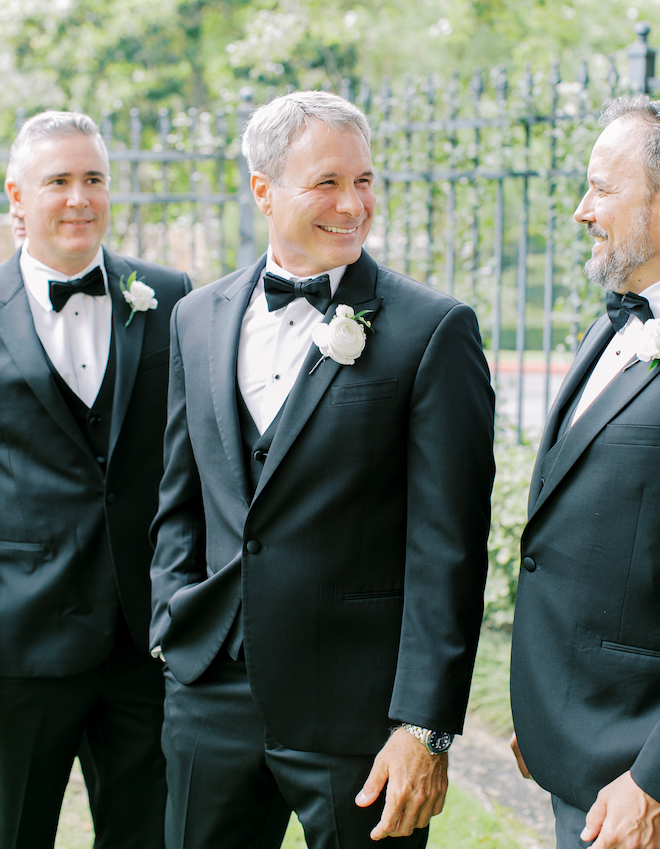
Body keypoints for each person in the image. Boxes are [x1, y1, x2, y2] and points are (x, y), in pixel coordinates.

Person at [150, 90, 495, 849]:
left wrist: (424, 727)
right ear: (263, 190)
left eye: (364, 180)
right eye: (328, 183)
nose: (353, 203)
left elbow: (449, 548)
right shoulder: (195, 317)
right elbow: (180, 494)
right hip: (211, 692)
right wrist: (171, 624)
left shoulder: (433, 330)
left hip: (360, 714)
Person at [0, 111, 191, 849]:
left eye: (94, 180)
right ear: (18, 195)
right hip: (19, 642)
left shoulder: (169, 296)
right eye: (58, 181)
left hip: (143, 638)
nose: (79, 198)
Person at [510, 95, 660, 849]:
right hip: (578, 750)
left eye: (602, 187)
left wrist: (652, 780)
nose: (581, 210)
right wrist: (543, 712)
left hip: (637, 774)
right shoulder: (613, 324)